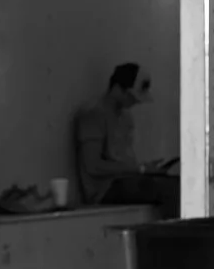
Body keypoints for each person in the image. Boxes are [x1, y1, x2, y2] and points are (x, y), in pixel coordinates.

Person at [72, 63, 178, 208]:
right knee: (163, 189)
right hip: (105, 190)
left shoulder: (125, 117)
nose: (134, 102)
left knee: (177, 184)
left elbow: (124, 161)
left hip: (126, 181)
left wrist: (144, 168)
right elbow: (93, 166)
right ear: (117, 89)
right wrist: (140, 169)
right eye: (131, 96)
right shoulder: (93, 114)